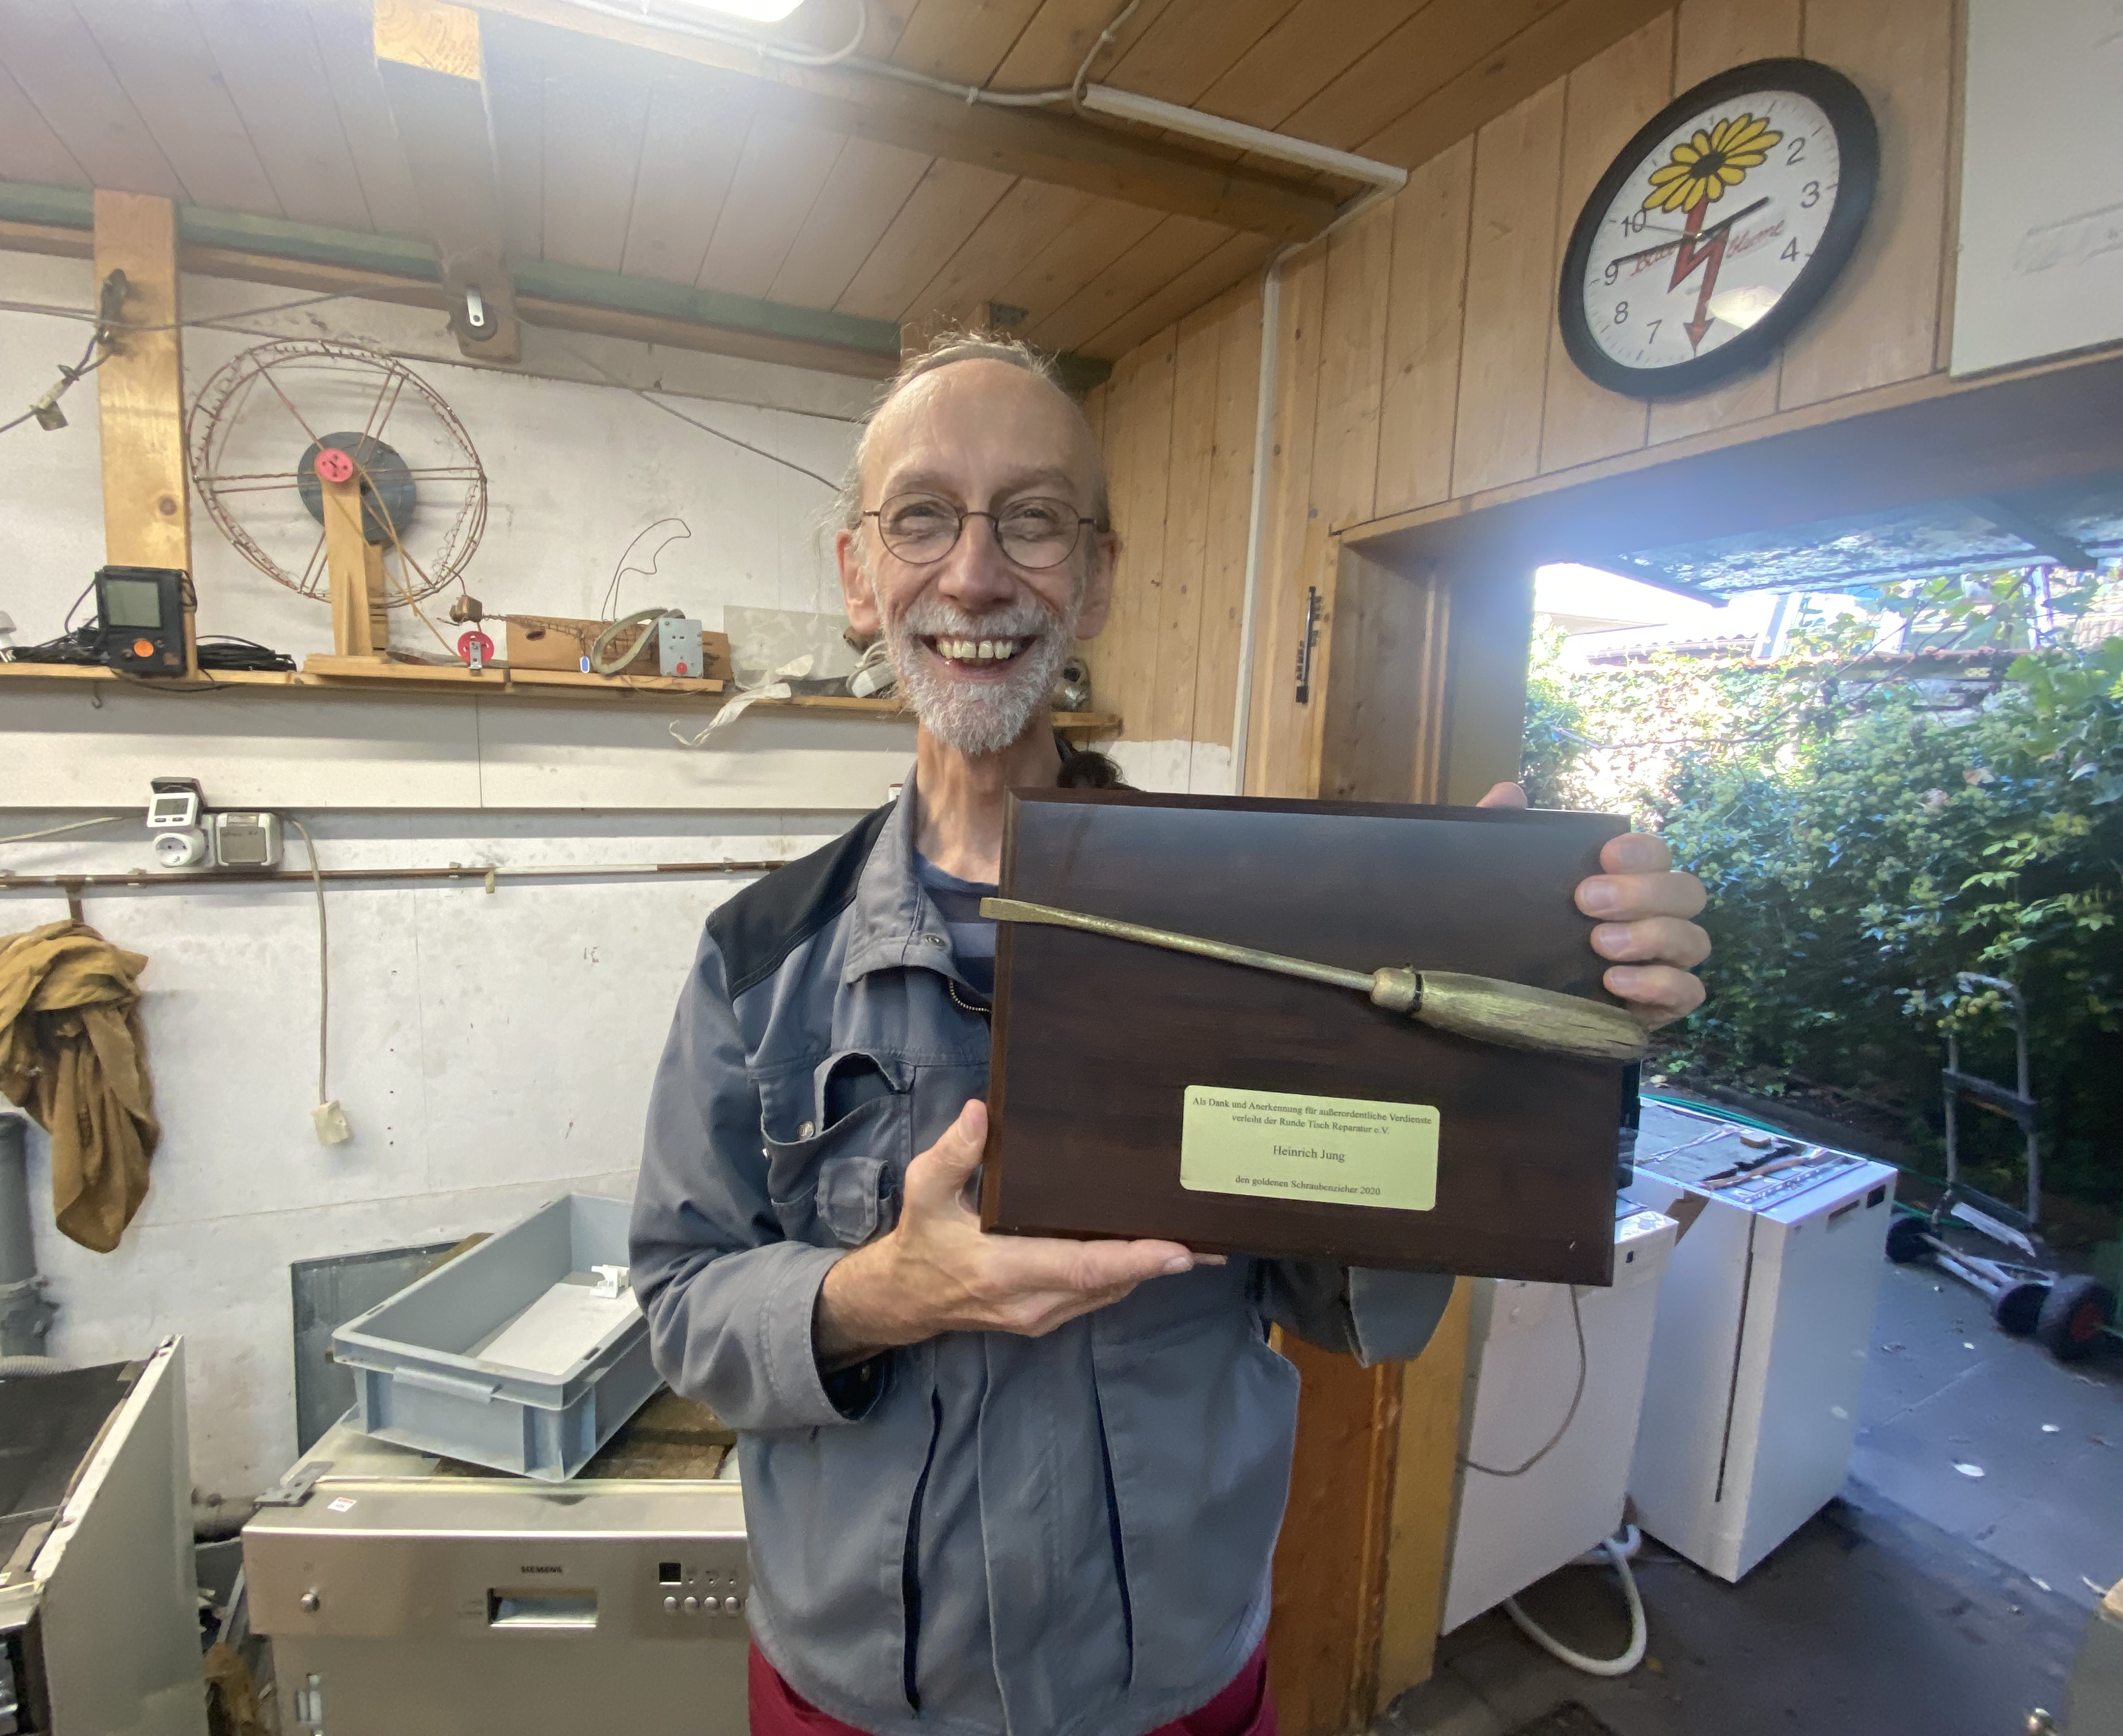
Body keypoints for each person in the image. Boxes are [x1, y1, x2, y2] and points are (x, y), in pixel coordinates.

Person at [629, 338, 1709, 1736]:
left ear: (1099, 573)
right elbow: (679, 1305)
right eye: (922, 518)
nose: (975, 575)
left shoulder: (1270, 930)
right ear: (857, 576)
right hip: (852, 1693)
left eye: (1033, 518)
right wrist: (889, 1292)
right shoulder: (759, 958)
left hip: (1171, 1685)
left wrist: (1528, 1038)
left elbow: (1347, 1304)